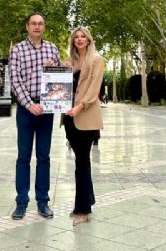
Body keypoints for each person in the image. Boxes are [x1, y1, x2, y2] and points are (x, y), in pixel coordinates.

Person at [9, 13, 61, 220]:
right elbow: (15, 81)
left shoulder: (53, 49)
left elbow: (59, 79)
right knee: (23, 157)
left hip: (47, 108)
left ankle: (43, 201)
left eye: (40, 24)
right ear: (27, 26)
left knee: (43, 157)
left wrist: (57, 67)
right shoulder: (18, 50)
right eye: (33, 23)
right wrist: (30, 105)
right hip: (26, 108)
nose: (37, 27)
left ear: (44, 27)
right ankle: (21, 202)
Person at [63, 26, 104, 226]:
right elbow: (60, 86)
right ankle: (88, 200)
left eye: (83, 37)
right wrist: (55, 68)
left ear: (88, 40)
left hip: (85, 115)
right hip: (69, 116)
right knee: (80, 161)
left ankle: (83, 209)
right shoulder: (70, 62)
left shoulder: (96, 59)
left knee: (82, 161)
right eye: (76, 37)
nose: (79, 39)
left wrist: (79, 107)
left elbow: (94, 89)